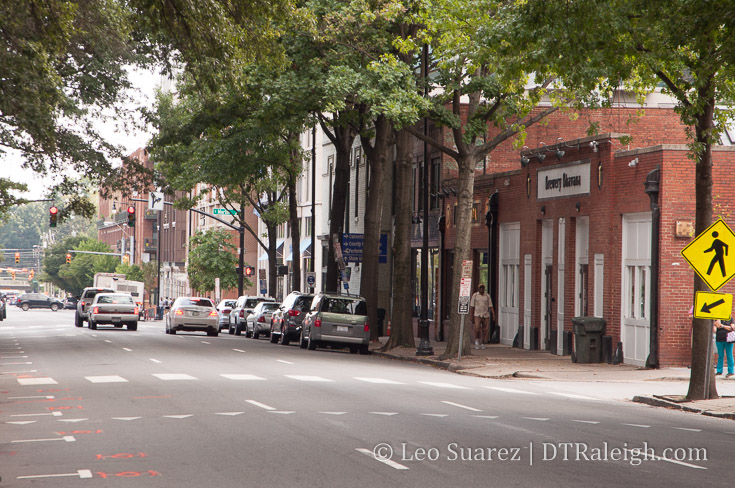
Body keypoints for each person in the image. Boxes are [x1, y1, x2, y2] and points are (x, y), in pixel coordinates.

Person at [469, 284, 495, 350]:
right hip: (477, 314)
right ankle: (476, 341)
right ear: (478, 289)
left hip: (485, 314)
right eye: (480, 288)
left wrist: (493, 314)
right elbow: (472, 306)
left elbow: (490, 305)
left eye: (483, 288)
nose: (482, 289)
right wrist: (471, 315)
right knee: (477, 328)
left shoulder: (487, 296)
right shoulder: (475, 296)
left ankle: (483, 342)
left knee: (485, 329)